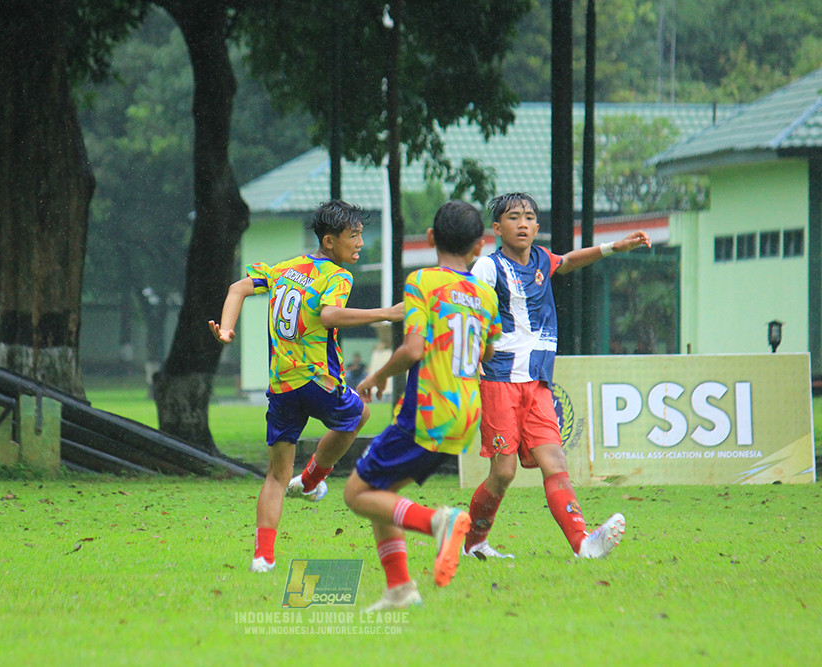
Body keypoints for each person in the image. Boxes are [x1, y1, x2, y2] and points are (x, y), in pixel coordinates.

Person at [208, 199, 403, 573]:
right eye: (354, 236)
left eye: (361, 234)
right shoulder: (337, 275)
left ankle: (263, 557)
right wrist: (387, 312)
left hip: (281, 385)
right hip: (317, 380)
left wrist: (227, 328)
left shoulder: (286, 267)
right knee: (359, 413)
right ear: (330, 242)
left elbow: (237, 288)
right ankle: (313, 479)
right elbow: (329, 314)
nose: (360, 243)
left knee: (276, 475)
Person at [463, 192, 650, 561]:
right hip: (499, 379)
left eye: (529, 217)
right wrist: (471, 363)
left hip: (538, 383)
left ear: (536, 226)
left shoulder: (540, 259)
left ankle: (583, 544)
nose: (523, 223)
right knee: (503, 474)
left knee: (556, 463)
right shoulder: (487, 268)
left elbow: (566, 261)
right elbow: (471, 313)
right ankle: (473, 544)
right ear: (497, 229)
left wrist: (616, 247)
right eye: (514, 217)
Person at [343, 200, 501, 611]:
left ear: (431, 239)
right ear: (479, 247)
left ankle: (439, 522)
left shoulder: (422, 282)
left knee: (357, 493)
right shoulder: (485, 294)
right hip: (466, 415)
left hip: (427, 412)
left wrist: (377, 377)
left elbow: (413, 349)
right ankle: (400, 588)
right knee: (384, 491)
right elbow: (486, 353)